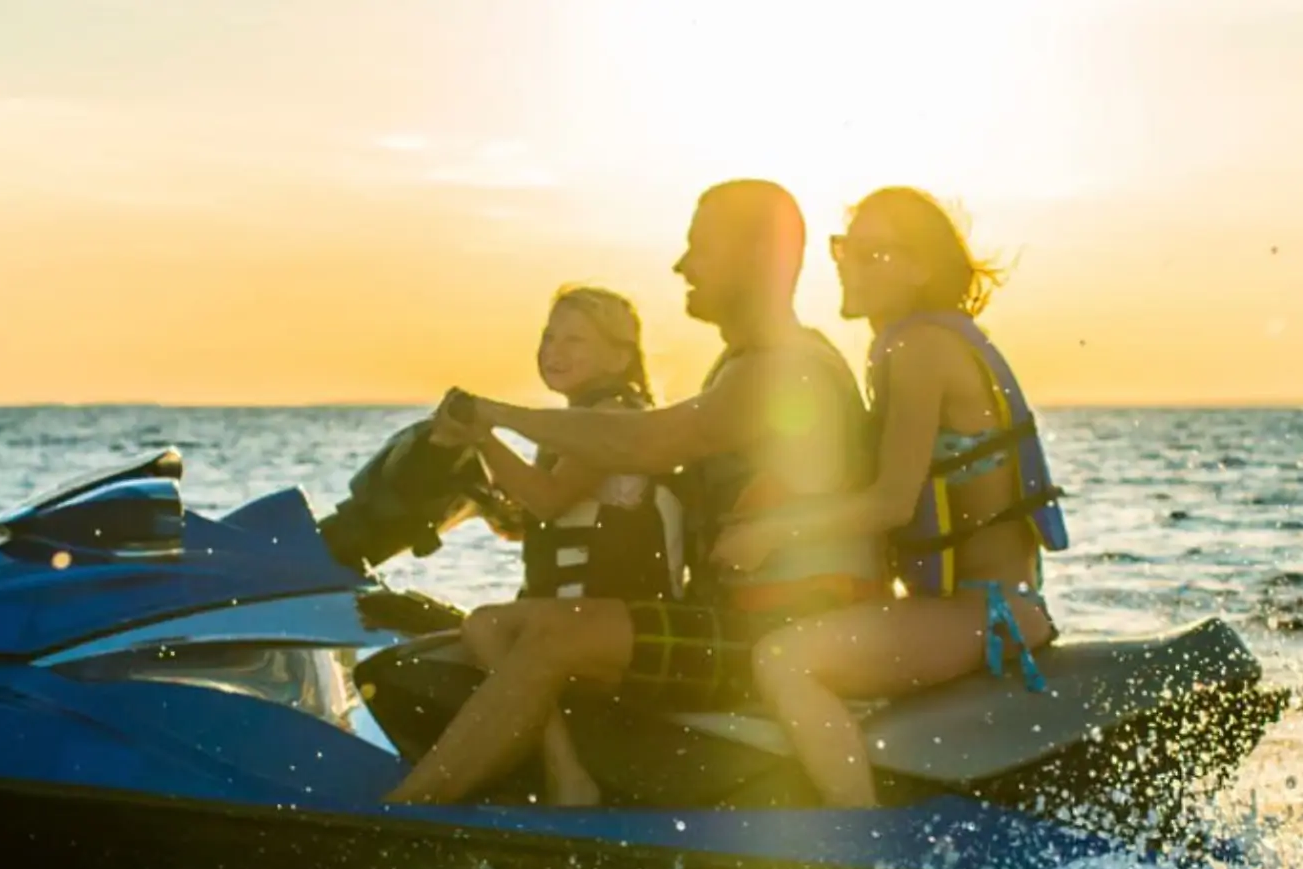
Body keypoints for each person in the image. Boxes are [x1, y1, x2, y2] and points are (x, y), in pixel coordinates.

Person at [388, 179, 878, 806]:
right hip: (731, 618)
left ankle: (409, 812)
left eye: (700, 247)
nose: (682, 266)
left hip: (780, 628)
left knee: (553, 638)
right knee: (488, 629)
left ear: (760, 255)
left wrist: (493, 415)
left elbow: (645, 443)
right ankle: (551, 789)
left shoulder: (787, 368)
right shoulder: (742, 363)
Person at [710, 187, 1070, 809]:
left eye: (874, 255)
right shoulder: (918, 343)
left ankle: (862, 840)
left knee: (784, 660)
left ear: (921, 268)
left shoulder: (918, 349)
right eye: (846, 249)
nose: (848, 264)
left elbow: (892, 503)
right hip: (986, 607)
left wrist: (767, 534)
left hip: (985, 612)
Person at [454, 285, 679, 806]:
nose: (554, 351)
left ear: (621, 356)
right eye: (549, 336)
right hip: (572, 612)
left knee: (485, 626)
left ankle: (567, 774)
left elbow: (551, 500)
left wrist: (482, 436)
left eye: (575, 339)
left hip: (619, 617)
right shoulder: (573, 423)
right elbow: (537, 515)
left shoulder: (616, 419)